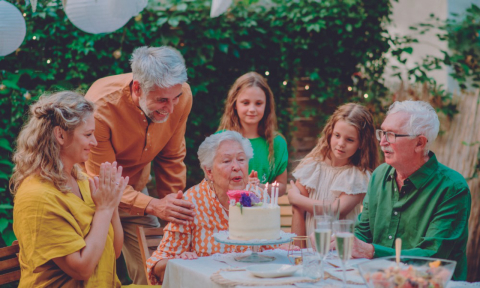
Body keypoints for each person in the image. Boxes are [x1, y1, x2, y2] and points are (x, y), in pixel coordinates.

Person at [83, 46, 196, 284]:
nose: (171, 108)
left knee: (158, 272)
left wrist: (173, 213)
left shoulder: (181, 95)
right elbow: (104, 180)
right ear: (137, 88)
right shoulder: (99, 107)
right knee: (95, 276)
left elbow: (172, 158)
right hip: (91, 199)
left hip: (138, 195)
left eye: (175, 98)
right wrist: (154, 206)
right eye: (162, 100)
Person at [11, 91, 128, 287]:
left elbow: (113, 252)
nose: (95, 143)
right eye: (88, 135)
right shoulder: (36, 197)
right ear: (61, 135)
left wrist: (112, 204)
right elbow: (81, 269)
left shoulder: (81, 180)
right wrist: (104, 209)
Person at [350, 100, 471, 280]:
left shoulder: (453, 188)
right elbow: (363, 232)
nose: (382, 142)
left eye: (391, 135)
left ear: (419, 143)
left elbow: (433, 257)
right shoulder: (379, 175)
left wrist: (372, 251)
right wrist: (343, 242)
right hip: (379, 281)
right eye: (382, 133)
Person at [146, 131, 274, 284]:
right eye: (226, 161)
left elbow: (275, 253)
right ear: (209, 171)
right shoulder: (191, 202)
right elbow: (157, 267)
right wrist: (180, 263)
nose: (236, 166)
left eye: (241, 159)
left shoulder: (259, 197)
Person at [288, 103, 379, 238]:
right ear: (330, 133)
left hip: (340, 251)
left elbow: (337, 210)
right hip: (307, 251)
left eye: (349, 139)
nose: (341, 143)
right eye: (337, 135)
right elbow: (298, 211)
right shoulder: (312, 166)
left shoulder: (358, 176)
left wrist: (296, 198)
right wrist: (298, 252)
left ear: (361, 143)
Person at [217, 72, 288, 196]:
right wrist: (241, 185)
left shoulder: (277, 143)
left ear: (267, 106)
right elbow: (212, 182)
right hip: (228, 213)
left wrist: (260, 187)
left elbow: (282, 187)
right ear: (234, 104)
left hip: (263, 213)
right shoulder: (220, 141)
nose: (252, 109)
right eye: (245, 103)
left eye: (258, 103)